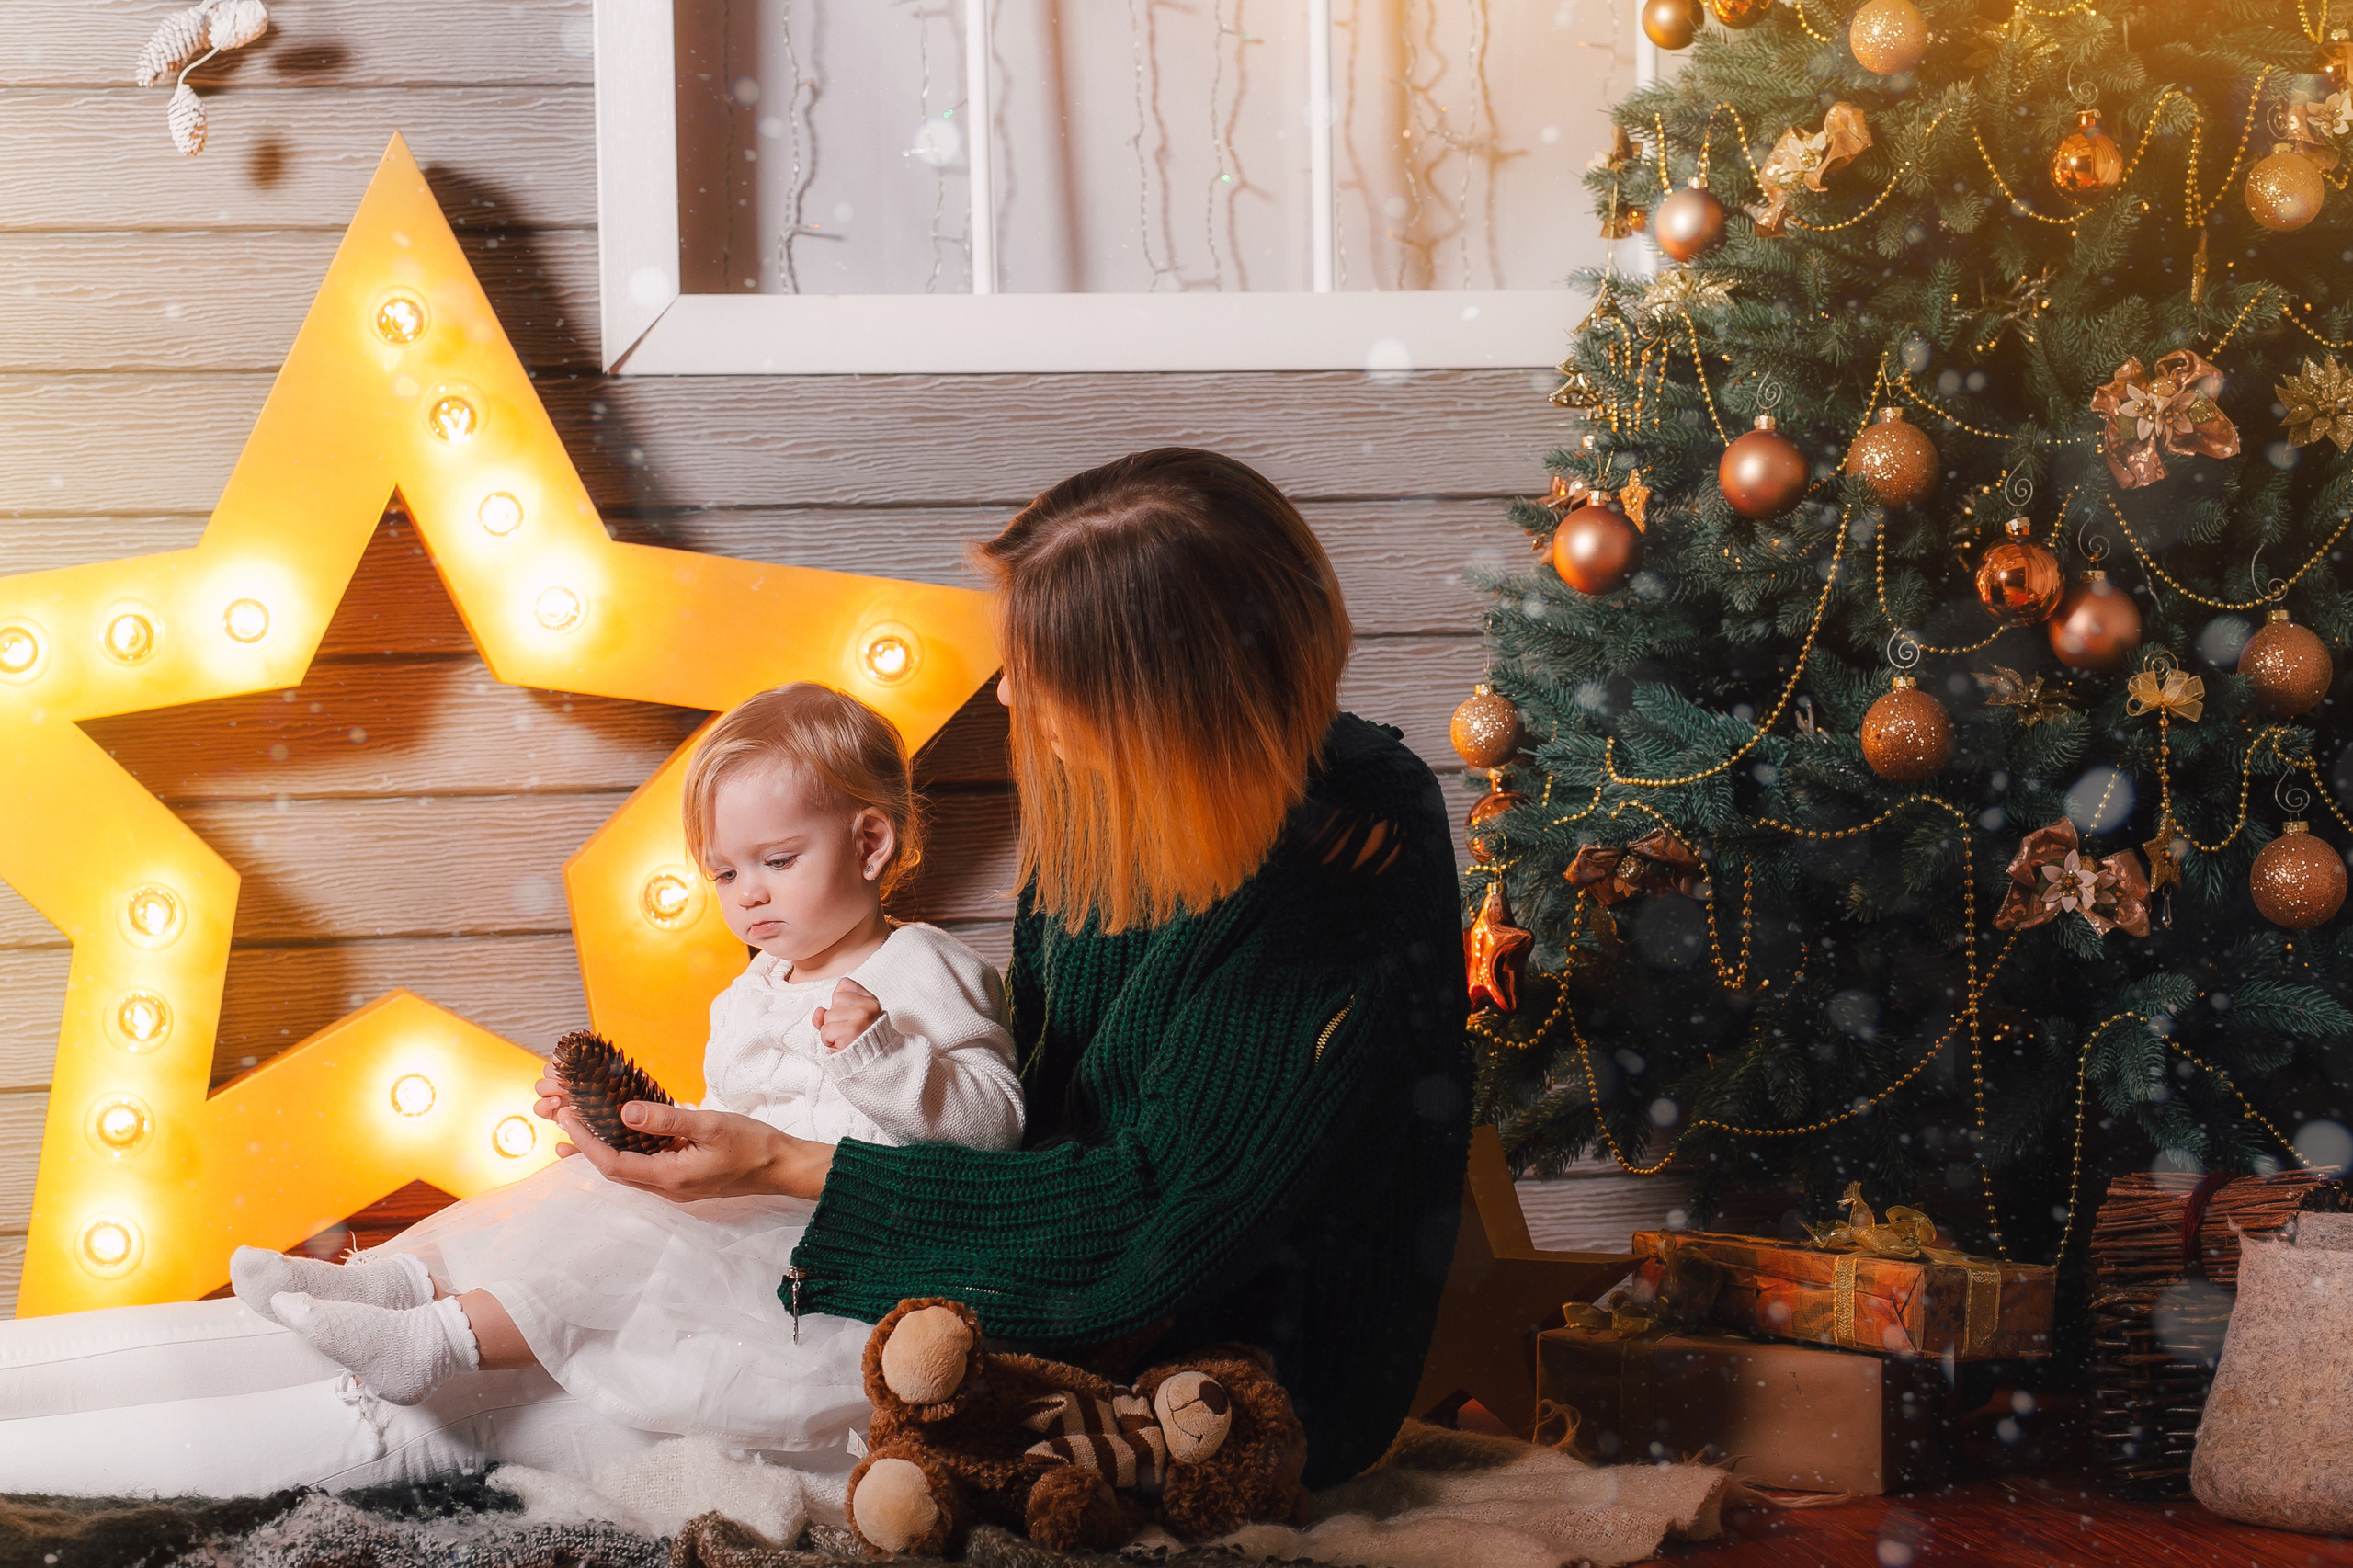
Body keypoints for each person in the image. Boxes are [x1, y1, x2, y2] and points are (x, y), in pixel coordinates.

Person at [551, 448, 1472, 1488]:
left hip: (1202, 1362)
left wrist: (778, 1164)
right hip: (1033, 1245)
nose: (1006, 692)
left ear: (1161, 696)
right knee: (582, 1313)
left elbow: (1155, 1231)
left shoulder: (1343, 860)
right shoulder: (1124, 791)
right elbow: (1032, 1105)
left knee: (621, 1403)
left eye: (1043, 670)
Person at [230, 683, 1025, 1445]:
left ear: (869, 842)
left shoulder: (924, 966)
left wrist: (881, 1055)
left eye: (777, 861)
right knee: (577, 1191)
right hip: (746, 1207)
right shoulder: (748, 994)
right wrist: (645, 1141)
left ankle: (435, 1343)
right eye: (725, 873)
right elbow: (734, 1119)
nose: (747, 895)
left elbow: (998, 1128)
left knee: (632, 1248)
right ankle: (392, 1285)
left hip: (839, 1249)